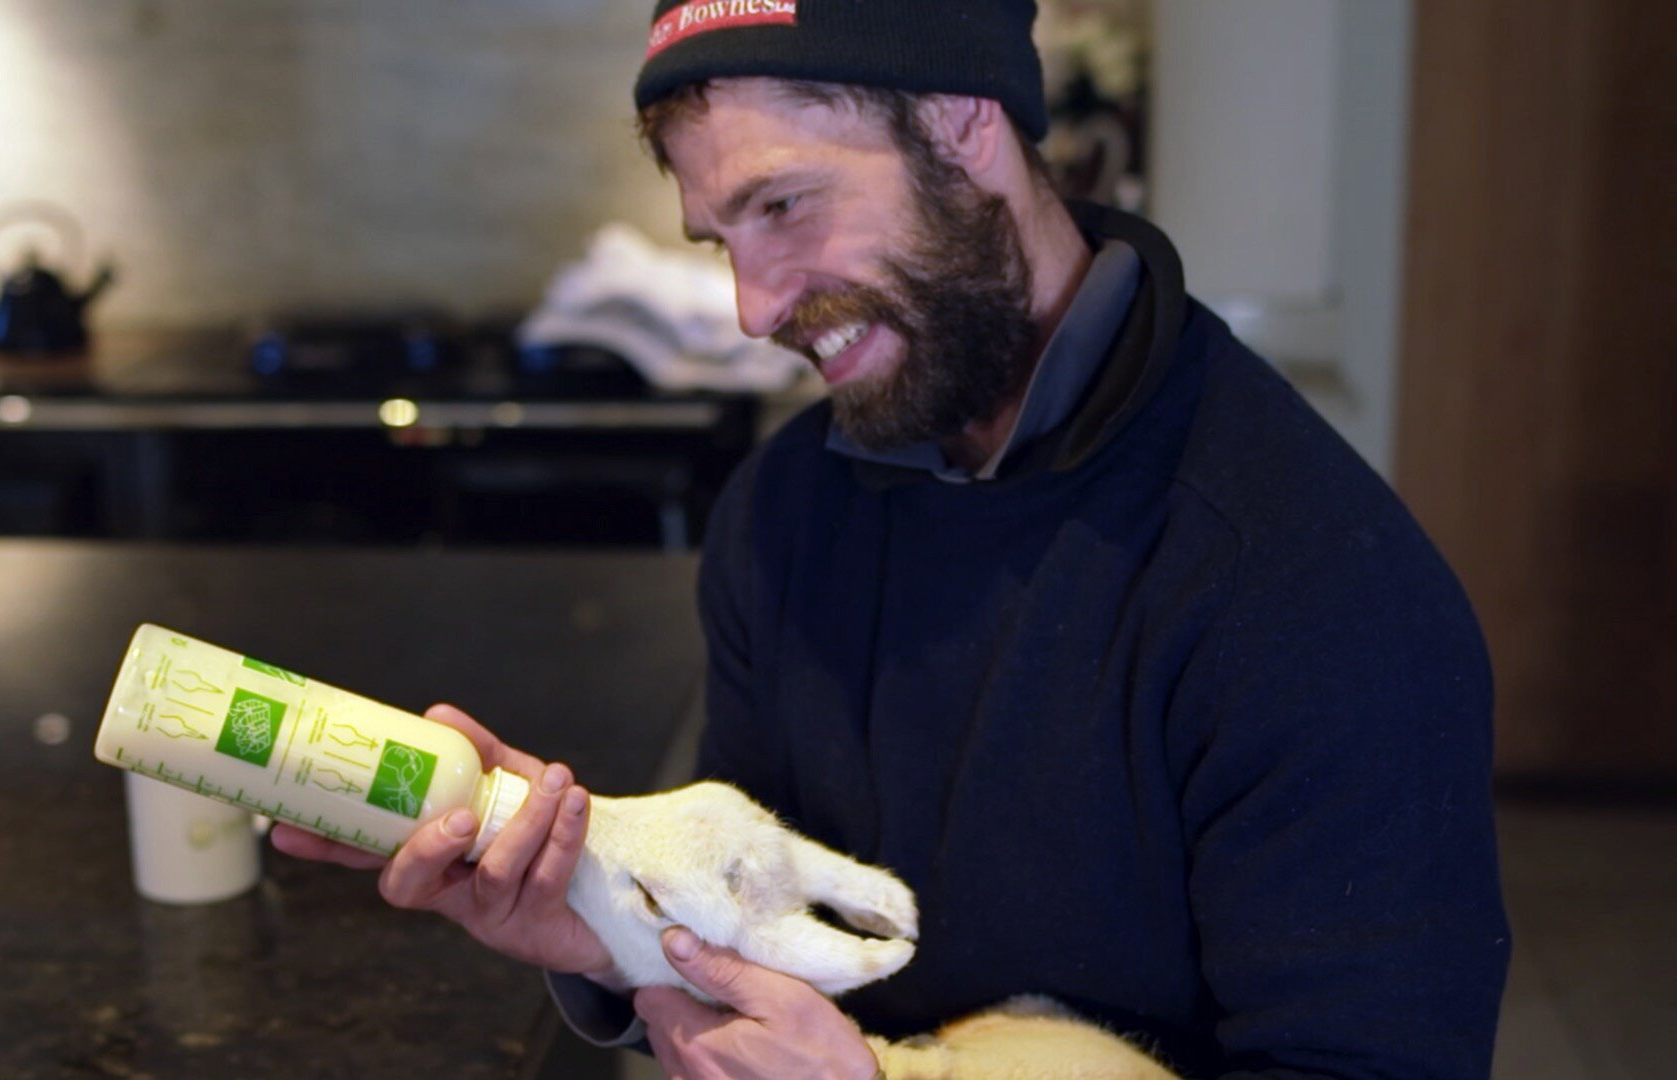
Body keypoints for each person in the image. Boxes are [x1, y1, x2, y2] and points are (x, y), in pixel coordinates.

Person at [275, 2, 1512, 1076]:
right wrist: (597, 909)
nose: (754, 305)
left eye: (785, 204)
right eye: (722, 238)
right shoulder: (783, 515)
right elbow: (765, 934)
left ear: (965, 123)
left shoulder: (1306, 585)